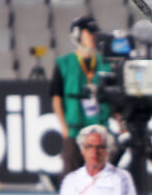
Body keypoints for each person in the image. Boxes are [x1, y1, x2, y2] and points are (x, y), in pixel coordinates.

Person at [49, 14, 114, 178]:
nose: (93, 37)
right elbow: (56, 97)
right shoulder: (64, 63)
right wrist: (64, 127)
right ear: (78, 35)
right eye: (89, 33)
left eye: (94, 33)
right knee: (71, 173)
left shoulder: (105, 63)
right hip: (74, 128)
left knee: (103, 175)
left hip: (100, 129)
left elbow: (114, 96)